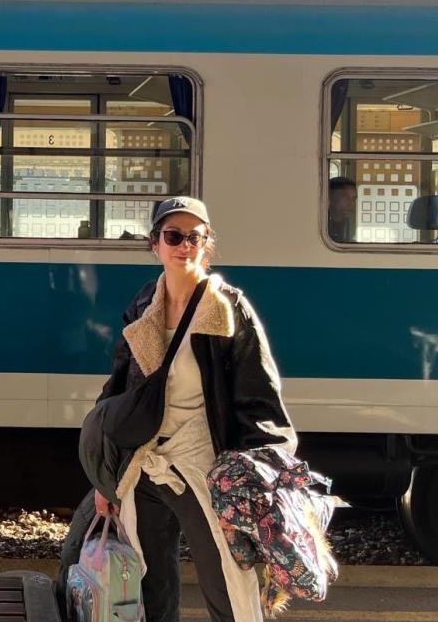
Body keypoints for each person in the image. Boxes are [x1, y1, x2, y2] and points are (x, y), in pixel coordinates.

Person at [93, 196, 297, 622]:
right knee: (146, 584)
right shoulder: (145, 303)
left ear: (207, 245)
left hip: (203, 463)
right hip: (143, 464)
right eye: (174, 236)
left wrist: (267, 469)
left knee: (228, 582)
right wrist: (105, 477)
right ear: (155, 244)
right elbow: (119, 388)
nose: (184, 245)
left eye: (195, 237)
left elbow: (259, 393)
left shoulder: (225, 307)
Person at [327, 176, 358, 243]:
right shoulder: (324, 224)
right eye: (345, 197)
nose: (351, 203)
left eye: (353, 199)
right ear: (332, 198)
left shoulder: (349, 224)